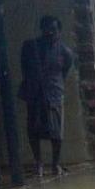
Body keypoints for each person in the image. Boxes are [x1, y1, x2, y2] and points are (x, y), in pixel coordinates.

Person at [19, 15, 74, 177]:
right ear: (41, 30)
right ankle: (39, 163)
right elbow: (24, 68)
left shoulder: (65, 52)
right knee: (33, 129)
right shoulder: (30, 47)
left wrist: (54, 84)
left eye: (53, 30)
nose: (50, 33)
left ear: (59, 31)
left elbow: (64, 72)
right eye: (47, 29)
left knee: (56, 131)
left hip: (54, 93)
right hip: (34, 93)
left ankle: (55, 164)